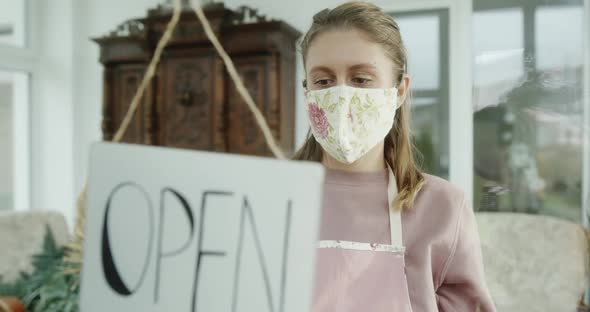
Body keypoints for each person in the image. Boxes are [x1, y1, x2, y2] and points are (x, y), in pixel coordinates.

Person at [293, 2, 496, 311]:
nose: (341, 96)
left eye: (361, 79)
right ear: (308, 93)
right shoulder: (272, 196)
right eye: (323, 81)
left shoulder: (443, 207)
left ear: (400, 91)